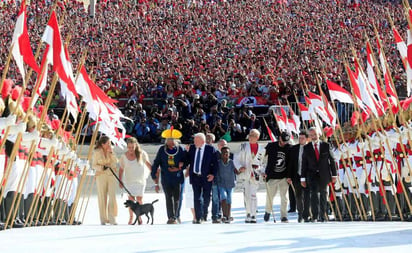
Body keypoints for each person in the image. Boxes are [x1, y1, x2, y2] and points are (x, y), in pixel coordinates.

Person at [301, 127, 337, 222]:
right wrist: (303, 178)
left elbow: (332, 160)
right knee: (314, 195)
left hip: (324, 174)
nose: (313, 137)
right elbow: (304, 164)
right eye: (311, 135)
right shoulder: (306, 147)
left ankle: (323, 215)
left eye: (315, 134)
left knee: (323, 194)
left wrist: (334, 175)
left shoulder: (326, 145)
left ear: (319, 134)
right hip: (311, 175)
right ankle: (315, 215)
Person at [151, 128, 186, 224]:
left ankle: (176, 216)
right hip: (166, 178)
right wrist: (154, 174)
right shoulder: (162, 149)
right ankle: (171, 217)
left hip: (178, 178)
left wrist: (180, 167)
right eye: (169, 141)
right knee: (168, 197)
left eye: (172, 141)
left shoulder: (181, 149)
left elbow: (187, 161)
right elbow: (156, 162)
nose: (171, 143)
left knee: (177, 197)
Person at [185, 133, 218, 224]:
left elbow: (215, 164)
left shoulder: (210, 149)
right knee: (197, 197)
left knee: (206, 197)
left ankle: (204, 214)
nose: (194, 142)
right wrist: (186, 152)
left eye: (196, 141)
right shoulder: (192, 148)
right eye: (194, 140)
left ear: (202, 141)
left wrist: (213, 175)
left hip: (206, 177)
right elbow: (187, 160)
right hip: (195, 176)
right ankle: (198, 217)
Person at [234, 129, 266, 223]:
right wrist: (239, 167)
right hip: (245, 174)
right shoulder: (243, 146)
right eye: (250, 135)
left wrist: (262, 171)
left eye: (253, 135)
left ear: (257, 137)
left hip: (255, 175)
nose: (251, 137)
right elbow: (236, 158)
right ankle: (248, 213)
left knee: (253, 195)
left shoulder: (261, 149)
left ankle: (253, 215)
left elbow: (262, 163)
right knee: (247, 195)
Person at [119, 137, 151, 225]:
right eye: (129, 147)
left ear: (136, 146)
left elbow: (148, 165)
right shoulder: (124, 156)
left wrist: (155, 173)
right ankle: (131, 217)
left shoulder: (142, 154)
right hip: (129, 181)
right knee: (131, 201)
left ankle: (139, 217)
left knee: (139, 200)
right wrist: (120, 180)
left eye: (132, 147)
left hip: (140, 180)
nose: (131, 149)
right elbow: (121, 169)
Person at [263, 131, 292, 223]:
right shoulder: (271, 146)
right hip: (272, 176)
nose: (284, 143)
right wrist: (263, 171)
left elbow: (291, 163)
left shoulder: (289, 148)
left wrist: (289, 176)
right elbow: (262, 157)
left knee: (284, 197)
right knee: (270, 196)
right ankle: (268, 211)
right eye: (283, 140)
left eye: (286, 141)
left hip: (284, 176)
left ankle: (284, 216)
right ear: (279, 138)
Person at [92, 135, 118, 225]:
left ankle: (112, 218)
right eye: (108, 143)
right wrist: (102, 167)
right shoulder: (96, 152)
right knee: (102, 196)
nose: (110, 145)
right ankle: (103, 219)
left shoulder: (111, 150)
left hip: (111, 175)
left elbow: (115, 161)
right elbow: (94, 165)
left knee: (112, 196)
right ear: (103, 144)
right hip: (101, 175)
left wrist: (111, 153)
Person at [287, 130, 310, 222]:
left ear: (307, 139)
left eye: (302, 138)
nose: (300, 140)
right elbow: (290, 164)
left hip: (308, 176)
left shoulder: (310, 148)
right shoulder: (293, 149)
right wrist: (289, 176)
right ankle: (300, 213)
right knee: (298, 195)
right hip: (297, 175)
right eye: (299, 138)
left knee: (307, 195)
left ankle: (307, 214)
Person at [216, 147, 236, 223]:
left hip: (230, 184)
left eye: (227, 153)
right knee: (223, 198)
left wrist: (240, 170)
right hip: (222, 184)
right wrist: (218, 180)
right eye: (224, 152)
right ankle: (224, 215)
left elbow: (236, 171)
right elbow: (217, 173)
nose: (225, 154)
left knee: (229, 199)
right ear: (221, 154)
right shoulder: (218, 163)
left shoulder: (232, 162)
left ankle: (228, 215)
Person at [206, 133, 221, 223]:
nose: (208, 140)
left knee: (215, 198)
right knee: (205, 198)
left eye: (210, 138)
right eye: (206, 138)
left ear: (213, 141)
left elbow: (216, 165)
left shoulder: (215, 151)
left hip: (214, 178)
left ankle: (215, 216)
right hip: (204, 178)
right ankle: (203, 215)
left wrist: (213, 174)